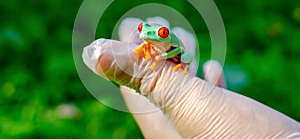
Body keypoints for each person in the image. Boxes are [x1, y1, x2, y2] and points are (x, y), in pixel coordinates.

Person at [82, 17, 300, 139]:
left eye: (159, 33)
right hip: (159, 49)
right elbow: (149, 40)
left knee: (183, 58)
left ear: (165, 35)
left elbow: (171, 51)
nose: (146, 32)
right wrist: (148, 46)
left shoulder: (168, 41)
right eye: (143, 29)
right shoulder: (149, 37)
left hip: (175, 54)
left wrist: (166, 71)